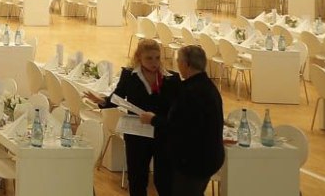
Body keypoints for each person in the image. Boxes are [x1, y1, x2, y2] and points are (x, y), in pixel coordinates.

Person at [86, 38, 179, 196]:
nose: (154, 62)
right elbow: (118, 97)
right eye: (149, 58)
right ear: (139, 58)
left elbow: (176, 108)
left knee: (164, 180)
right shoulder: (129, 75)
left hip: (162, 134)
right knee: (137, 178)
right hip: (137, 134)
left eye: (157, 57)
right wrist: (102, 101)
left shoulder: (171, 78)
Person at [140, 45, 224, 196]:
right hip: (209, 157)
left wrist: (153, 119)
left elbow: (180, 127)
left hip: (194, 161)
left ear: (186, 64)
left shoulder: (190, 93)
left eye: (179, 61)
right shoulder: (208, 86)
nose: (177, 64)